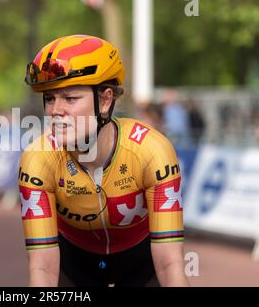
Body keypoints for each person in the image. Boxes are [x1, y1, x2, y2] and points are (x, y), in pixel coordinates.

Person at [19, 35, 188, 287]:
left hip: (141, 267)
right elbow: (42, 268)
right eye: (50, 98)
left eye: (70, 98)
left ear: (106, 100)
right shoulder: (38, 159)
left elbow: (169, 263)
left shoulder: (152, 151)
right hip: (75, 268)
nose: (55, 110)